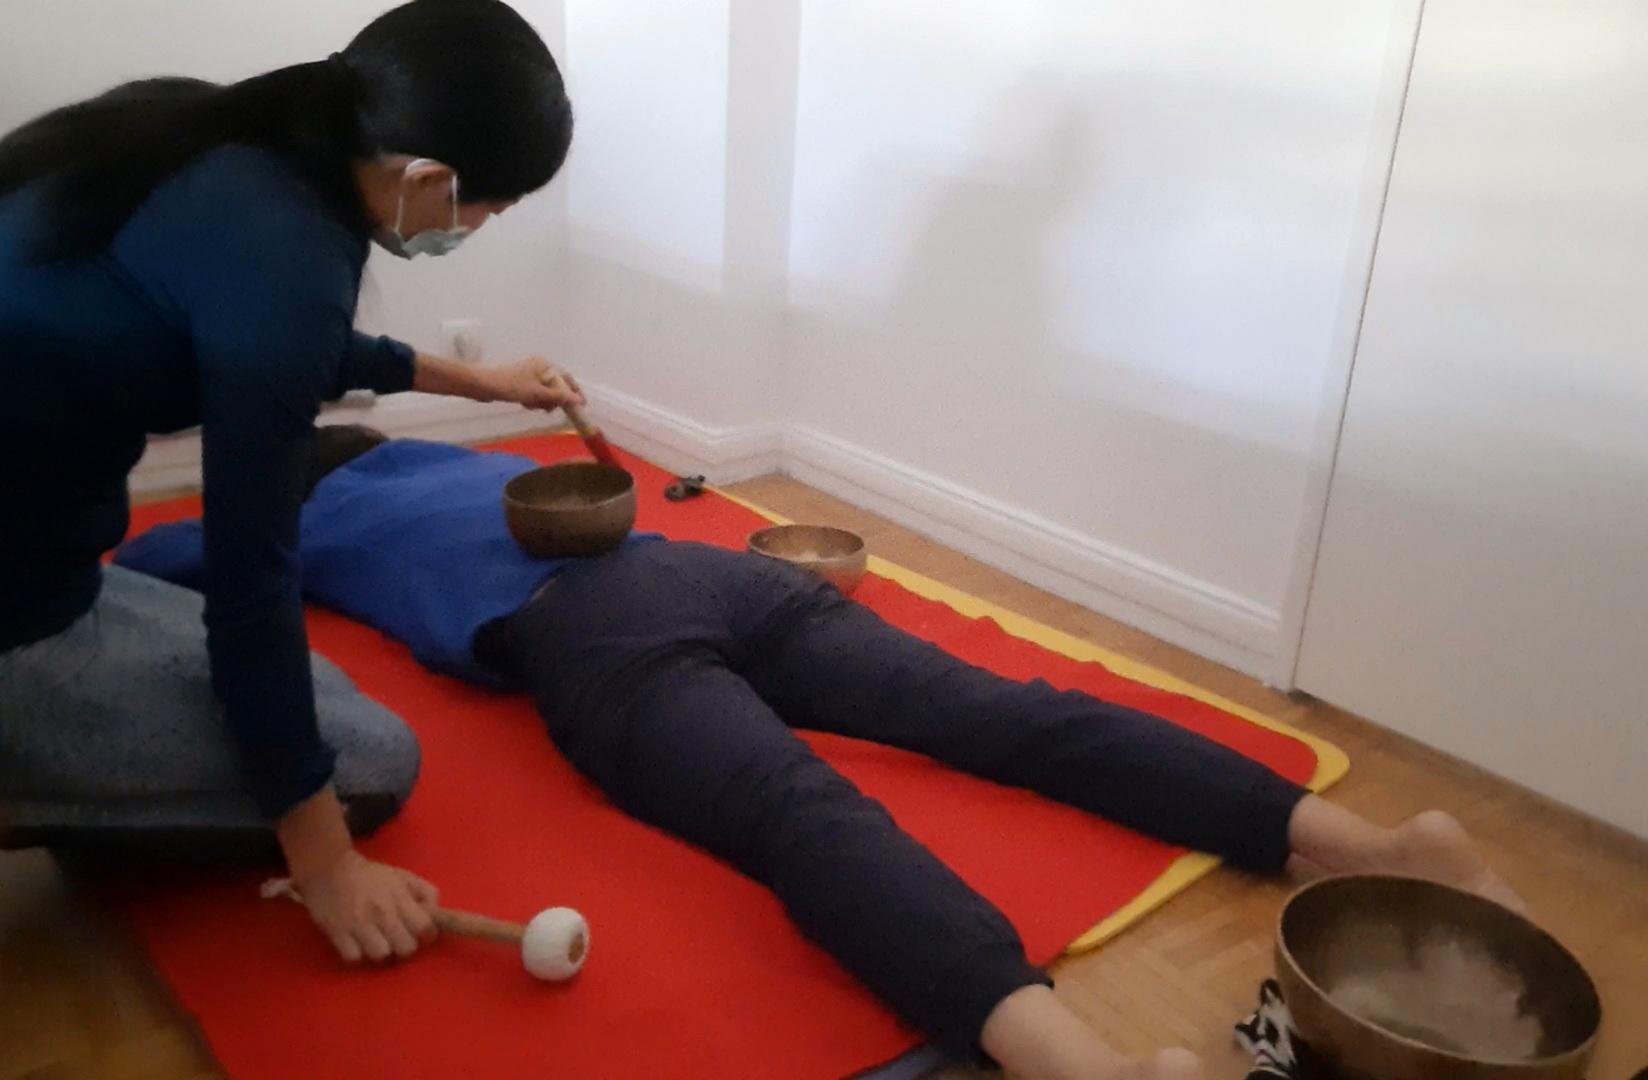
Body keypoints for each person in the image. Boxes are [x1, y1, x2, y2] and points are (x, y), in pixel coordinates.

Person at [112, 427, 1521, 1080]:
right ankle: (1377, 848)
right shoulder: (472, 460)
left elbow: (144, 569)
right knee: (1008, 713)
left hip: (590, 637)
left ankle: (1072, 1065)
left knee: (800, 811)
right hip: (710, 574)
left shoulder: (299, 518)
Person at [0, 0, 584, 967]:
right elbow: (251, 577)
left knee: (311, 696)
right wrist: (325, 864)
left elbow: (274, 339)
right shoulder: (290, 258)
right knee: (369, 761)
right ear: (429, 179)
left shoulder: (210, 133)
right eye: (490, 210)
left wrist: (481, 380)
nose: (478, 227)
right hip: (18, 610)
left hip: (44, 560)